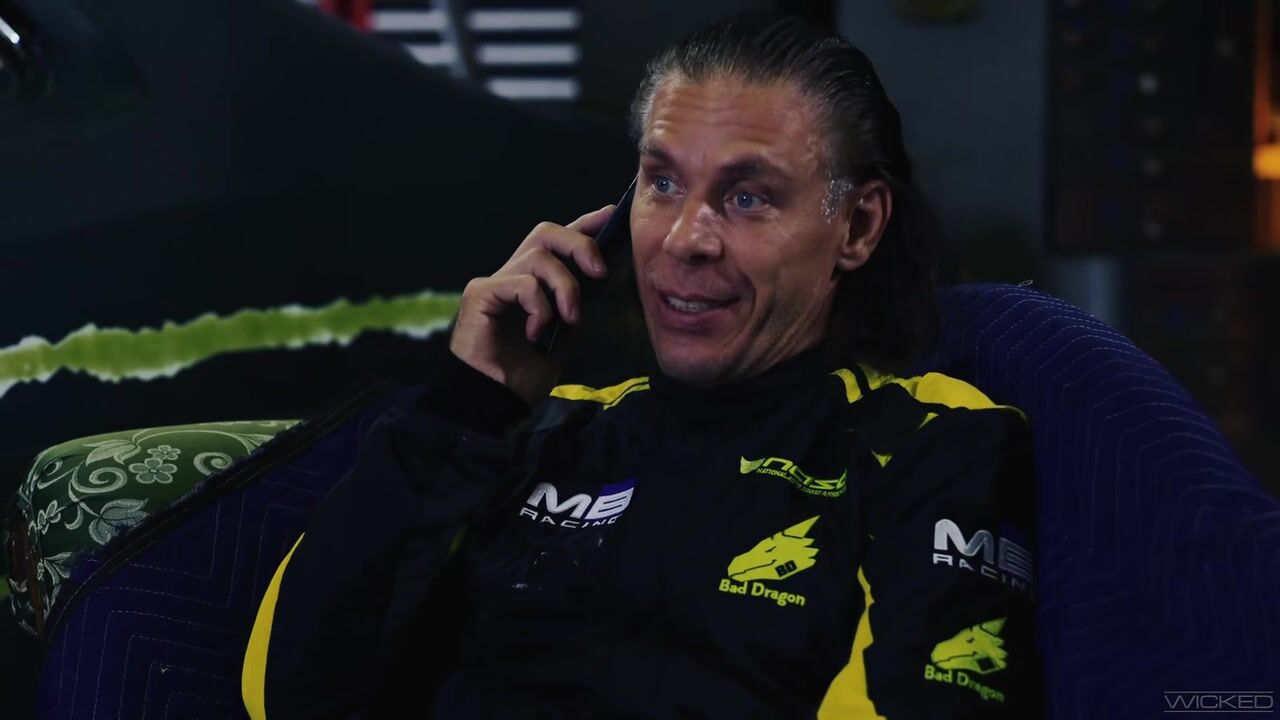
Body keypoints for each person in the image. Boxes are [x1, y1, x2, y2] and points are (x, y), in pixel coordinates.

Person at [242, 12, 1041, 719]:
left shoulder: (930, 444)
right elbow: (283, 693)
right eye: (662, 182)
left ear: (858, 226)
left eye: (747, 197)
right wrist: (466, 407)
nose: (685, 238)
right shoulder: (540, 432)